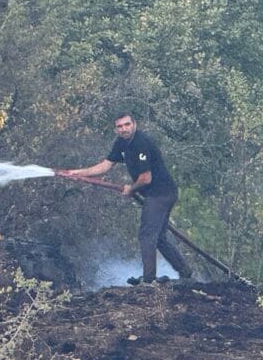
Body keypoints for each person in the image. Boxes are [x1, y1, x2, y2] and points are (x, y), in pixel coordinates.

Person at [58, 112, 192, 285]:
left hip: (161, 194)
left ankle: (149, 280)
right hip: (156, 194)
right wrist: (77, 172)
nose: (124, 129)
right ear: (116, 129)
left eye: (127, 125)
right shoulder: (122, 143)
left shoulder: (141, 143)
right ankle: (185, 272)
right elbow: (106, 165)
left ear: (134, 124)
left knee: (147, 235)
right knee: (159, 238)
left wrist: (131, 188)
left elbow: (146, 178)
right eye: (120, 126)